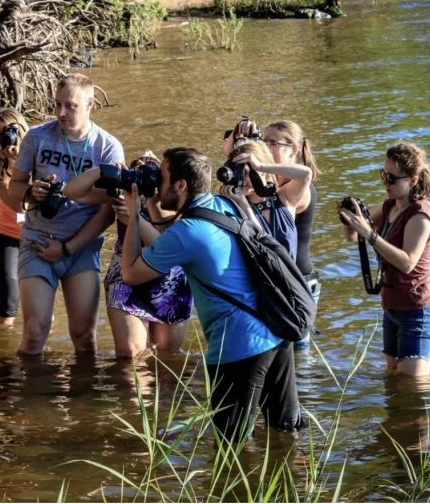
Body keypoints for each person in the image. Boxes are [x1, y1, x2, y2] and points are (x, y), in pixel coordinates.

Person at [120, 147, 305, 443]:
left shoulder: (186, 232)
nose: (155, 182)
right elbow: (175, 234)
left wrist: (133, 214)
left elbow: (130, 273)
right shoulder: (222, 205)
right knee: (285, 433)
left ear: (181, 185)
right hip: (276, 329)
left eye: (161, 177)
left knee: (230, 448)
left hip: (239, 347)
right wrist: (153, 202)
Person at [8, 73, 123, 355]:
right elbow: (15, 187)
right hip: (38, 242)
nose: (61, 113)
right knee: (34, 334)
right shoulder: (37, 137)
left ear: (90, 104)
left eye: (70, 106)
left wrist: (68, 248)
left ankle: (84, 386)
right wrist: (30, 192)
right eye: (57, 104)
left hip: (81, 247)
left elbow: (108, 212)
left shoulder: (107, 147)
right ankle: (29, 385)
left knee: (84, 337)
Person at [62, 153, 193, 358]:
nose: (141, 180)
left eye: (150, 173)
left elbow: (161, 247)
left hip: (167, 277)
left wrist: (136, 215)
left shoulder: (169, 200)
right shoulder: (122, 193)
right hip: (125, 269)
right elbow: (72, 192)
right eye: (137, 172)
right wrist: (105, 171)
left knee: (167, 356)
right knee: (130, 352)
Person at [338, 142, 430, 378]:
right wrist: (349, 219)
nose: (385, 183)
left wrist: (370, 234)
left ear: (413, 180)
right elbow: (352, 236)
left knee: (414, 389)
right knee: (394, 380)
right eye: (383, 175)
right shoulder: (389, 206)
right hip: (392, 307)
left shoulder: (420, 214)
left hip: (418, 310)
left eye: (392, 178)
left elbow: (407, 262)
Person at [263, 121, 321, 350]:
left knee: (297, 352)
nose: (266, 148)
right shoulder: (271, 183)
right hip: (279, 279)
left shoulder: (300, 187)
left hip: (299, 281)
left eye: (273, 143)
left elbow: (303, 176)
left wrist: (260, 165)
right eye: (263, 142)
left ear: (293, 149)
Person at [0, 109, 30, 328]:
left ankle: (39, 344)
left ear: (19, 133)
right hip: (6, 235)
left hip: (37, 234)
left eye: (4, 134)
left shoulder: (39, 157)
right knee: (7, 305)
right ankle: (3, 347)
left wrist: (24, 160)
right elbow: (20, 205)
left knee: (38, 303)